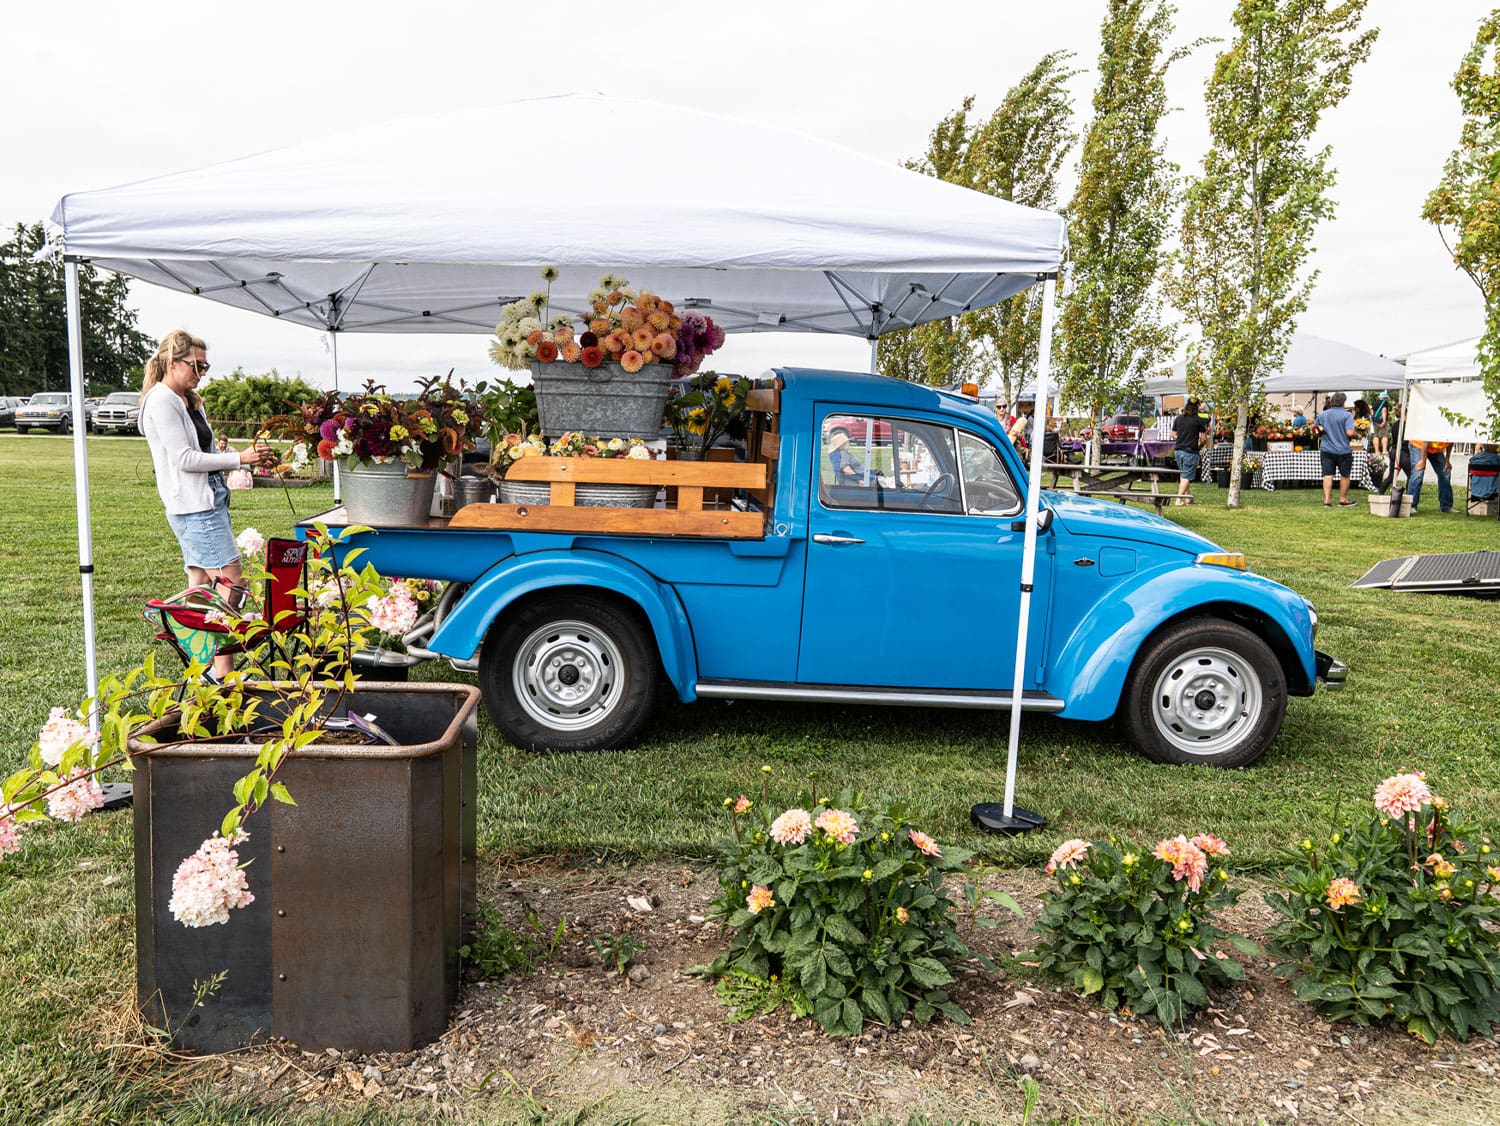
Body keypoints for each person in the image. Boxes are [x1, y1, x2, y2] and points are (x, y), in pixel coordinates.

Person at [141, 330, 277, 678]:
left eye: (205, 366)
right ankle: (222, 671)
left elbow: (207, 453)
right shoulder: (161, 402)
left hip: (208, 500)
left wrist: (246, 460)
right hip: (193, 506)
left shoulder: (188, 399)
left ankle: (202, 663)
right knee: (231, 581)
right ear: (171, 362)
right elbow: (185, 458)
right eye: (194, 365)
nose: (200, 372)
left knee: (200, 583)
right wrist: (238, 457)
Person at [1314, 392, 1358, 507]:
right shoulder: (1347, 415)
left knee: (1327, 475)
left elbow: (1314, 430)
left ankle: (1327, 501)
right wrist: (1357, 435)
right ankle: (1343, 499)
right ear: (1343, 402)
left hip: (1327, 449)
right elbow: (1349, 432)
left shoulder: (1323, 414)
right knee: (1345, 475)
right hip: (1343, 450)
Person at [1170, 399, 1209, 505]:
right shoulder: (1198, 420)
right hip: (1190, 451)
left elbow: (1173, 434)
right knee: (1186, 476)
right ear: (1197, 407)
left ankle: (1188, 498)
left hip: (1178, 450)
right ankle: (1178, 500)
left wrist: (1181, 437)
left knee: (1183, 474)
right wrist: (1200, 446)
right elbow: (1204, 439)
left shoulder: (1178, 419)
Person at [1406, 438, 1454, 514]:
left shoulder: (1452, 432)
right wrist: (1422, 461)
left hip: (1435, 450)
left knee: (1445, 472)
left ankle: (1446, 507)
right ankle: (1411, 506)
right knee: (1418, 473)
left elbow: (1450, 443)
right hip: (1419, 444)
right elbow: (1425, 441)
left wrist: (1447, 461)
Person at [1371, 390, 1392, 455]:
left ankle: (1376, 451)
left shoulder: (1374, 402)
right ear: (1385, 397)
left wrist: (1373, 419)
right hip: (1381, 420)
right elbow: (1384, 411)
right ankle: (1384, 450)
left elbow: (1372, 411)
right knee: (1384, 435)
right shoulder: (1384, 402)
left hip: (1375, 421)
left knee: (1376, 436)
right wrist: (1384, 421)